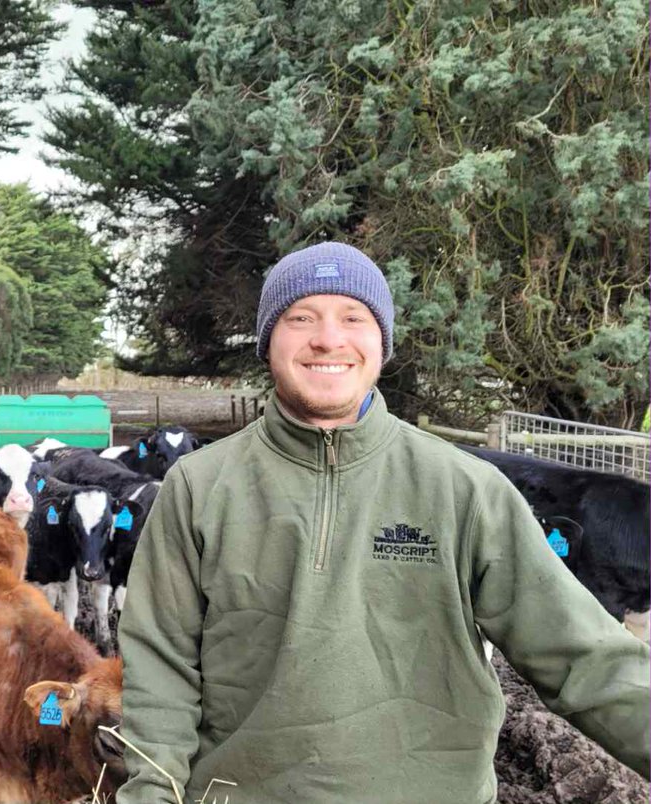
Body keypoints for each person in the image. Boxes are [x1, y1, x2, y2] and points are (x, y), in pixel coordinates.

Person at [116, 241, 650, 803]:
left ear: (382, 343)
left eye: (354, 317)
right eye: (301, 317)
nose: (328, 338)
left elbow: (584, 656)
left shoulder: (465, 490)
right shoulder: (199, 485)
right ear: (268, 339)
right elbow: (160, 661)